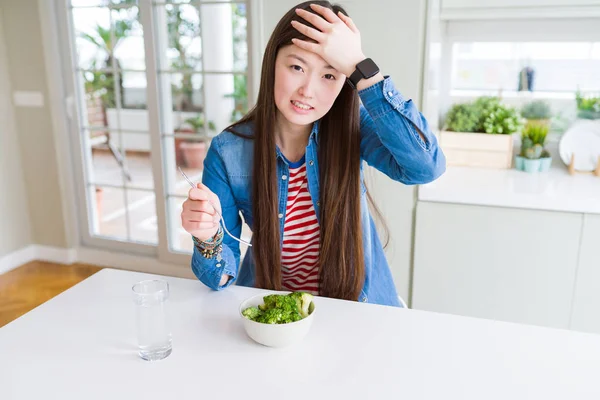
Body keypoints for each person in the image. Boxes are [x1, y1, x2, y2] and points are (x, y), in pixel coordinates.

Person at [181, 1, 445, 307]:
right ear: (272, 64)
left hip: (359, 309)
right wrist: (207, 236)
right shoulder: (228, 151)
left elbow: (426, 168)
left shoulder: (354, 128)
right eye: (296, 67)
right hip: (278, 314)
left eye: (329, 76)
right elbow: (220, 276)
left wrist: (361, 66)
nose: (308, 90)